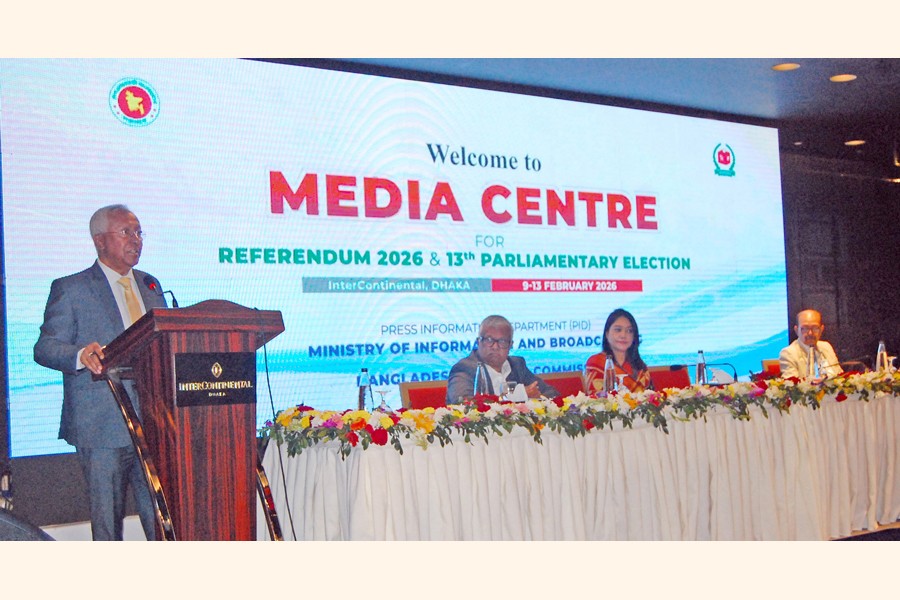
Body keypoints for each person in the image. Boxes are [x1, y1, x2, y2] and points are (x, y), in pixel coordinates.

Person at [33, 204, 167, 541]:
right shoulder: (72, 288)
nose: (136, 240)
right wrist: (79, 354)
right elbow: (45, 347)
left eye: (139, 232)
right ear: (99, 241)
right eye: (126, 232)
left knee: (162, 521)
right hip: (101, 426)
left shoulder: (151, 286)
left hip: (153, 421)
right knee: (108, 527)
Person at [447, 315, 559, 403]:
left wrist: (538, 397)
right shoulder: (465, 368)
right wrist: (517, 396)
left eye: (502, 341)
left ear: (510, 345)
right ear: (478, 342)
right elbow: (463, 403)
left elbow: (552, 393)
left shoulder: (517, 365)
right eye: (489, 340)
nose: (495, 347)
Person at [584, 308, 651, 393]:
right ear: (607, 334)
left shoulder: (640, 367)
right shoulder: (596, 363)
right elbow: (596, 401)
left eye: (629, 331)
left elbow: (651, 401)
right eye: (618, 330)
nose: (623, 335)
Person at [778, 309, 843, 379]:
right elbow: (793, 385)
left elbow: (839, 375)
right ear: (796, 330)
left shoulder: (826, 346)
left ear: (821, 329)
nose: (810, 333)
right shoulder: (788, 353)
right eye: (805, 328)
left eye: (815, 328)